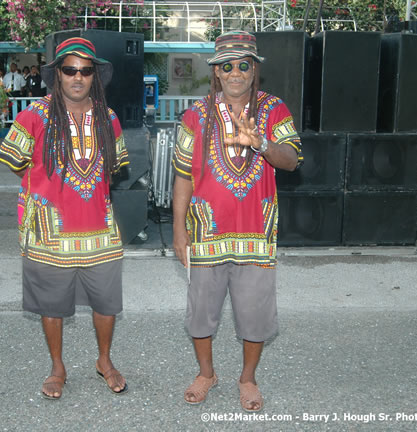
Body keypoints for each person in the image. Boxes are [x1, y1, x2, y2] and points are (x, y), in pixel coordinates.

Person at [171, 31, 304, 412]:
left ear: (254, 69)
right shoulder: (194, 115)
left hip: (255, 235)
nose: (234, 73)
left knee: (255, 312)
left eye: (243, 65)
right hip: (206, 233)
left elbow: (292, 160)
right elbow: (183, 175)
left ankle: (247, 378)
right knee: (201, 312)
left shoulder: (274, 109)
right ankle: (206, 373)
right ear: (215, 73)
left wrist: (260, 142)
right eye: (226, 66)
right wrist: (179, 230)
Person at [0, 37, 129, 400]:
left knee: (106, 302)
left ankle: (104, 360)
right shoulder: (34, 115)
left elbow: (113, 170)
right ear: (57, 74)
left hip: (99, 230)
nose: (78, 77)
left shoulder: (109, 118)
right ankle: (57, 366)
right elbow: (15, 163)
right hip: (49, 233)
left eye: (86, 71)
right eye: (70, 69)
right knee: (51, 304)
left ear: (94, 76)